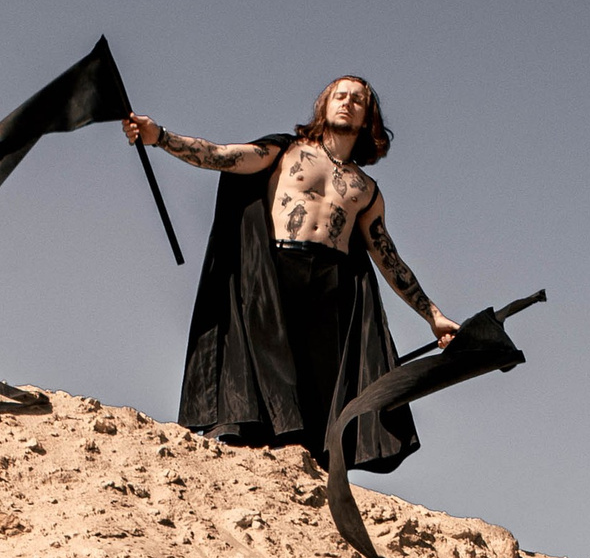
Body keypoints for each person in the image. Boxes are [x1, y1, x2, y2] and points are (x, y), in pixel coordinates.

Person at [124, 75, 458, 472]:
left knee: (319, 388)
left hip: (331, 284)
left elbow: (388, 258)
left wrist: (433, 315)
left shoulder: (365, 189)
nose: (347, 102)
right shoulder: (285, 151)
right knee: (268, 371)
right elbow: (221, 156)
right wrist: (159, 136)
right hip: (274, 272)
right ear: (324, 105)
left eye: (357, 100)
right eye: (339, 95)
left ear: (368, 117)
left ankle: (306, 471)